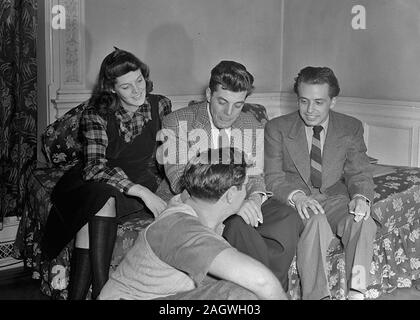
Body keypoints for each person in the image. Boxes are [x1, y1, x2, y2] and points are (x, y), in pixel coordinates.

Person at [156, 60, 301, 292]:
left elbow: (255, 174)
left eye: (238, 105)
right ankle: (261, 292)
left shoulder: (250, 124)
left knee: (287, 217)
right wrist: (235, 204)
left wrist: (255, 198)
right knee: (237, 224)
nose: (229, 113)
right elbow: (180, 179)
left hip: (239, 196)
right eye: (222, 102)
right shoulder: (177, 121)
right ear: (209, 94)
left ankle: (274, 287)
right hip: (196, 202)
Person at [41, 48, 172, 300]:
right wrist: (143, 193)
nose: (137, 91)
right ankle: (103, 290)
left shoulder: (161, 104)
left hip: (135, 181)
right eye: (126, 87)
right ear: (112, 89)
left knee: (91, 219)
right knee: (103, 197)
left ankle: (77, 297)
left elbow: (166, 152)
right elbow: (94, 168)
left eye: (139, 81)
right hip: (90, 182)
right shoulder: (96, 113)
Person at [99, 147, 287, 300]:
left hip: (166, 297)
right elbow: (263, 281)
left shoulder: (191, 203)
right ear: (230, 194)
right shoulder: (180, 227)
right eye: (244, 186)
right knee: (240, 296)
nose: (246, 192)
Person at [264, 66, 380, 300]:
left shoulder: (351, 126)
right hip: (298, 200)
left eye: (318, 102)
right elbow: (273, 177)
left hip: (334, 199)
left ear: (333, 101)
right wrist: (297, 196)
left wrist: (360, 197)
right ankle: (317, 296)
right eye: (303, 101)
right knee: (315, 222)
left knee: (363, 222)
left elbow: (359, 172)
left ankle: (357, 292)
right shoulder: (277, 128)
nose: (309, 110)